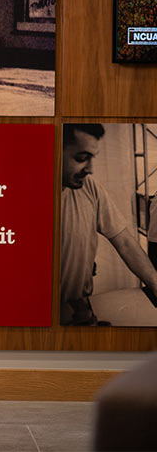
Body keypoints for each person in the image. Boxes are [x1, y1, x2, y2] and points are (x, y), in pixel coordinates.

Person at [60, 124, 157, 325]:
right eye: (81, 158)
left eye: (91, 158)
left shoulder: (89, 187)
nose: (90, 169)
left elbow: (125, 242)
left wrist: (155, 283)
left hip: (82, 315)